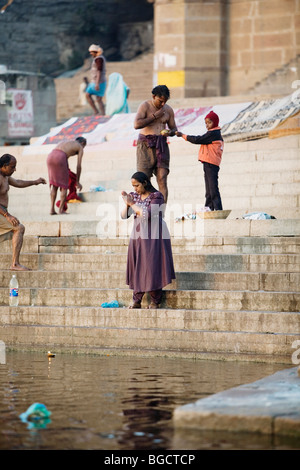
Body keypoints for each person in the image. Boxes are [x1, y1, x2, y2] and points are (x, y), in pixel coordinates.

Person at [121, 171, 175, 309]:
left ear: (145, 183)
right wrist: (127, 203)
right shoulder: (134, 196)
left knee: (152, 266)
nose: (135, 189)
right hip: (138, 235)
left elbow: (146, 214)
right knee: (137, 265)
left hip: (154, 235)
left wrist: (131, 203)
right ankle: (137, 300)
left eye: (137, 185)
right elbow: (123, 216)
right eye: (133, 186)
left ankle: (155, 301)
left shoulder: (157, 196)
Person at [0, 153, 46, 271]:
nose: (15, 169)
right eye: (12, 167)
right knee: (19, 228)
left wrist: (35, 182)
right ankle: (15, 264)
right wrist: (7, 215)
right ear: (4, 166)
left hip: (3, 211)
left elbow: (18, 182)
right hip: (2, 212)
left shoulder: (5, 176)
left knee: (14, 232)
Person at [134, 85, 177, 204]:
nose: (163, 104)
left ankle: (161, 211)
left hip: (161, 145)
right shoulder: (145, 106)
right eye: (160, 101)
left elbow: (174, 129)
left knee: (162, 179)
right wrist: (154, 116)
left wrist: (170, 132)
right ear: (154, 96)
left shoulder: (168, 110)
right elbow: (136, 124)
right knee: (143, 179)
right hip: (145, 145)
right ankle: (145, 208)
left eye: (165, 101)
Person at [176, 110, 224, 211]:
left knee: (213, 188)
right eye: (205, 123)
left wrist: (183, 135)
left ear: (215, 122)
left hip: (211, 164)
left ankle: (218, 209)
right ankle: (209, 208)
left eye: (209, 122)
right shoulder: (212, 133)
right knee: (209, 189)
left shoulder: (214, 133)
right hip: (208, 163)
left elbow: (197, 140)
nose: (207, 125)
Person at [46, 136, 86, 215]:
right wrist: (77, 181)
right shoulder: (80, 147)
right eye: (84, 146)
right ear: (82, 143)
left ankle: (52, 209)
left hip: (50, 156)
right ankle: (61, 210)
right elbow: (78, 166)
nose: (83, 148)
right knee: (64, 186)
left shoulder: (66, 142)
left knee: (54, 185)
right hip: (60, 157)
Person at [85, 44, 107, 115]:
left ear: (95, 52)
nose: (91, 54)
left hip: (99, 82)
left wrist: (97, 83)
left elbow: (99, 71)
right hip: (95, 81)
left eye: (92, 52)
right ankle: (97, 111)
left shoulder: (99, 59)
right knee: (89, 95)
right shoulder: (97, 58)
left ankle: (101, 113)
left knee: (97, 98)